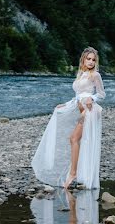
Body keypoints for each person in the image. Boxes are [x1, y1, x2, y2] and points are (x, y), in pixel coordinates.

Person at [31, 47, 106, 190]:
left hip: (89, 111)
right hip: (81, 109)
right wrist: (65, 104)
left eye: (93, 60)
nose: (90, 62)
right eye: (88, 59)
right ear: (83, 59)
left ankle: (73, 173)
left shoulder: (95, 75)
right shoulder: (81, 74)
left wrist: (92, 97)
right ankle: (76, 173)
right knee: (76, 140)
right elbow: (79, 95)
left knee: (73, 139)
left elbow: (102, 94)